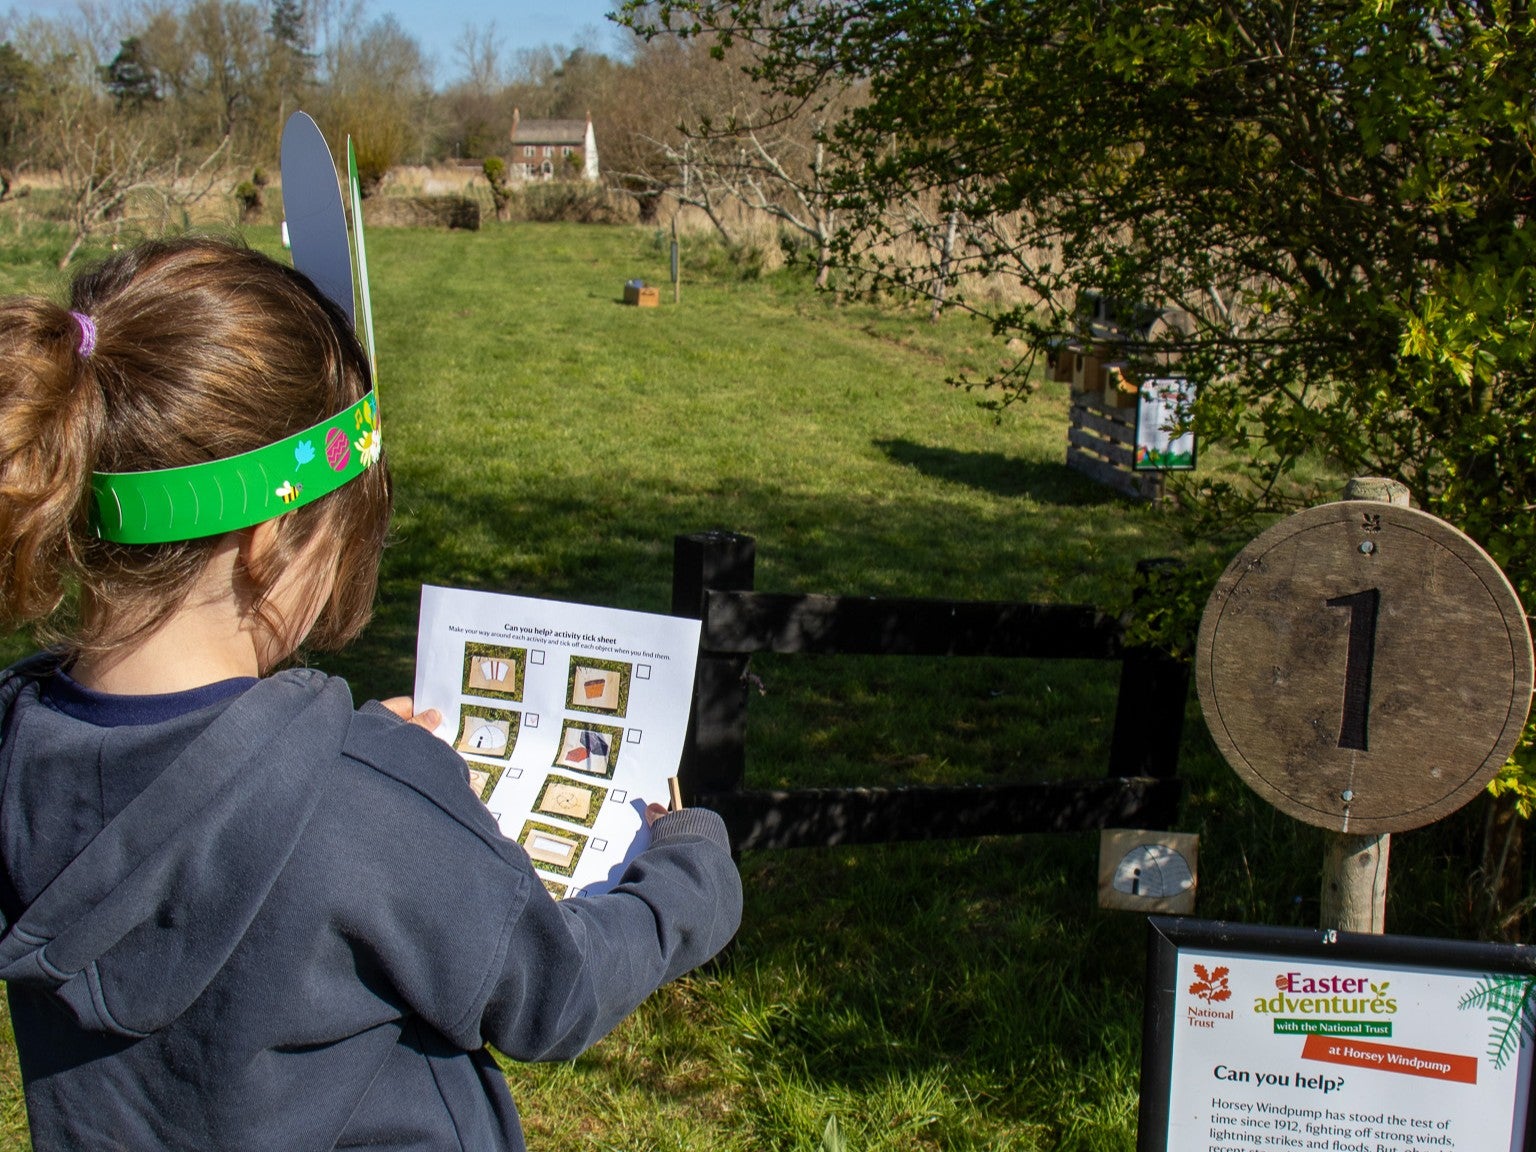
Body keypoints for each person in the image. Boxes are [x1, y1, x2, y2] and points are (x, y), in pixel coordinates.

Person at [0, 236, 742, 1151]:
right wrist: (691, 869)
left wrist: (354, 774)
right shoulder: (360, 809)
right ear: (271, 538)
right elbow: (556, 990)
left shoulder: (15, 749)